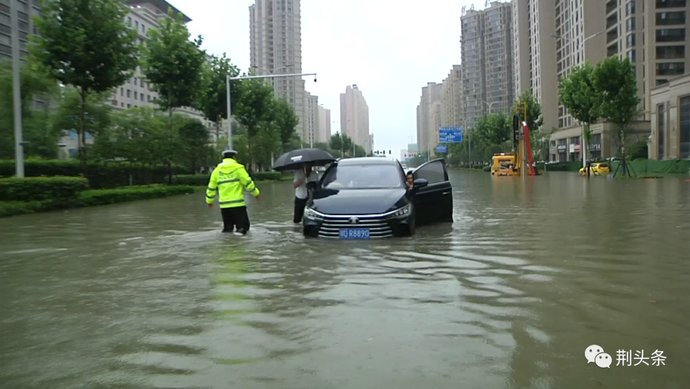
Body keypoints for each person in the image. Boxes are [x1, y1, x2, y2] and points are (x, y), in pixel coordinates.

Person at [206, 149, 261, 234]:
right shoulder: (238, 169)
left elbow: (211, 187)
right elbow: (248, 183)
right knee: (243, 228)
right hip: (238, 204)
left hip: (224, 206)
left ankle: (227, 244)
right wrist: (256, 194)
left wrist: (209, 201)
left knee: (228, 229)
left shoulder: (216, 171)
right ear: (234, 157)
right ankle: (239, 244)